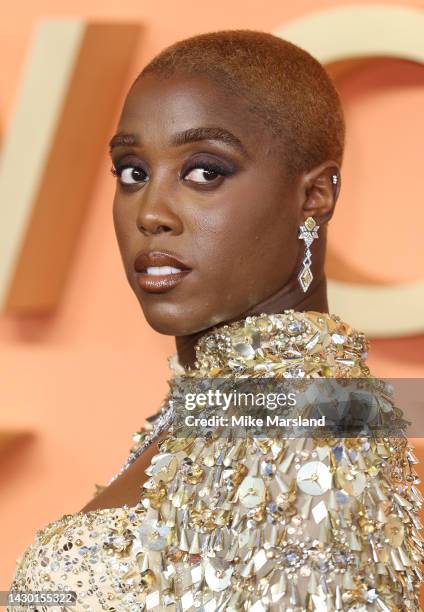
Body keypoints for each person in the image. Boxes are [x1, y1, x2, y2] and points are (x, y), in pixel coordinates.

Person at [7, 29, 424, 611]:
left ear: (315, 195)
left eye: (205, 172)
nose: (151, 213)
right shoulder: (234, 404)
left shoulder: (311, 432)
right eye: (132, 171)